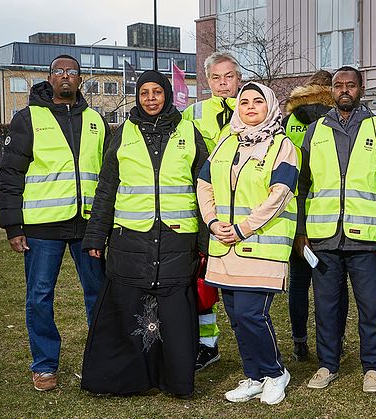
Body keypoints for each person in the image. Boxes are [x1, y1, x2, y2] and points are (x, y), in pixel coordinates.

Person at [80, 70, 207, 398]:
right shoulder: (123, 133)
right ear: (137, 96)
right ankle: (127, 379)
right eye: (144, 93)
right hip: (131, 240)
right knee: (127, 309)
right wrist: (96, 235)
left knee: (175, 314)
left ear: (167, 94)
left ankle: (175, 380)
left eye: (157, 92)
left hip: (178, 240)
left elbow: (205, 189)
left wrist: (206, 240)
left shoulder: (189, 132)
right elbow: (107, 187)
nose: (151, 98)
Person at [0, 54, 108, 392]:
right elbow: (11, 175)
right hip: (42, 227)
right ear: (49, 78)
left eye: (71, 72)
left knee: (98, 295)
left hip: (87, 226)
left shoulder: (95, 120)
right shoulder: (28, 118)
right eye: (59, 72)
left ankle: (102, 360)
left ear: (80, 79)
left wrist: (105, 224)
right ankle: (44, 366)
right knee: (40, 296)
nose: (65, 77)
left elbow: (107, 175)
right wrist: (13, 226)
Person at [295, 66, 376, 393]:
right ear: (331, 90)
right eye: (339, 85)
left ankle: (372, 368)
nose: (345, 90)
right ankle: (327, 364)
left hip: (367, 239)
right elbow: (301, 185)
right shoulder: (314, 131)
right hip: (323, 238)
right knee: (326, 308)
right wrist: (301, 231)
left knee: (371, 307)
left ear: (361, 88)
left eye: (351, 85)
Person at [198, 81, 297, 405]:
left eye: (258, 101)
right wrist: (213, 222)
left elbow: (280, 195)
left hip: (262, 245)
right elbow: (204, 184)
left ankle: (275, 372)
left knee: (252, 313)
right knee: (237, 317)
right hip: (225, 246)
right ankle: (254, 376)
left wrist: (243, 227)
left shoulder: (282, 146)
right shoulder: (226, 142)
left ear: (270, 106)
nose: (250, 106)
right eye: (244, 102)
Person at [283, 69, 349, 361]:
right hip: (328, 212)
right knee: (334, 283)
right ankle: (336, 338)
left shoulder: (286, 121)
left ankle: (299, 341)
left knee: (298, 282)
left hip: (291, 207)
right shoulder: (338, 119)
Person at [182, 51, 242, 371]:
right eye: (216, 78)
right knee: (202, 281)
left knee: (240, 284)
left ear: (238, 78)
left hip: (244, 210)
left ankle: (249, 345)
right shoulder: (192, 113)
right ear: (207, 81)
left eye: (228, 76)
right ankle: (208, 344)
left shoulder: (253, 107)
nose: (222, 83)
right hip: (204, 210)